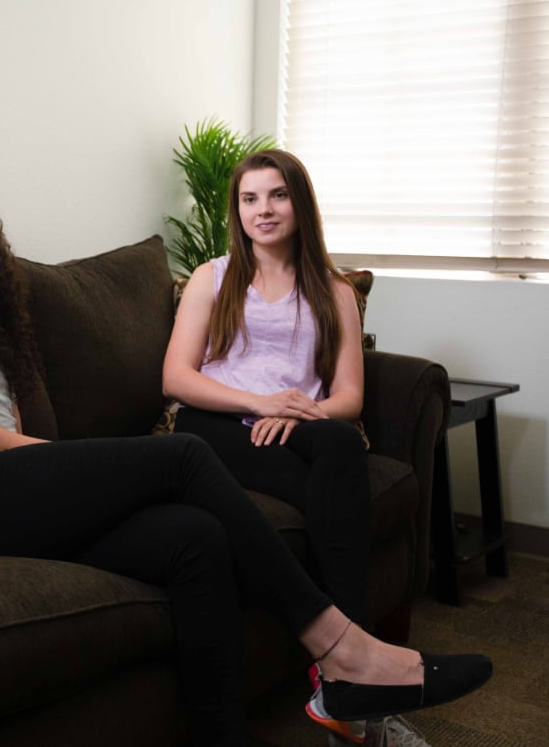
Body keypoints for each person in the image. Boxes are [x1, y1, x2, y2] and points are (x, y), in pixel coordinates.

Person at [0, 160, 490, 747]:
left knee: (195, 539)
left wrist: (42, 466)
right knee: (182, 456)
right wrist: (40, 455)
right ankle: (341, 649)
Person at [160, 148, 412, 742]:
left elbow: (349, 395)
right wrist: (260, 403)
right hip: (214, 424)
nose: (263, 210)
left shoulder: (334, 290)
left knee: (340, 445)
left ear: (300, 203)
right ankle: (349, 672)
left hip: (297, 426)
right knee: (334, 495)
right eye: (249, 199)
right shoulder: (212, 278)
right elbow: (175, 378)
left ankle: (340, 670)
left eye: (277, 195)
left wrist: (301, 413)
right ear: (238, 210)